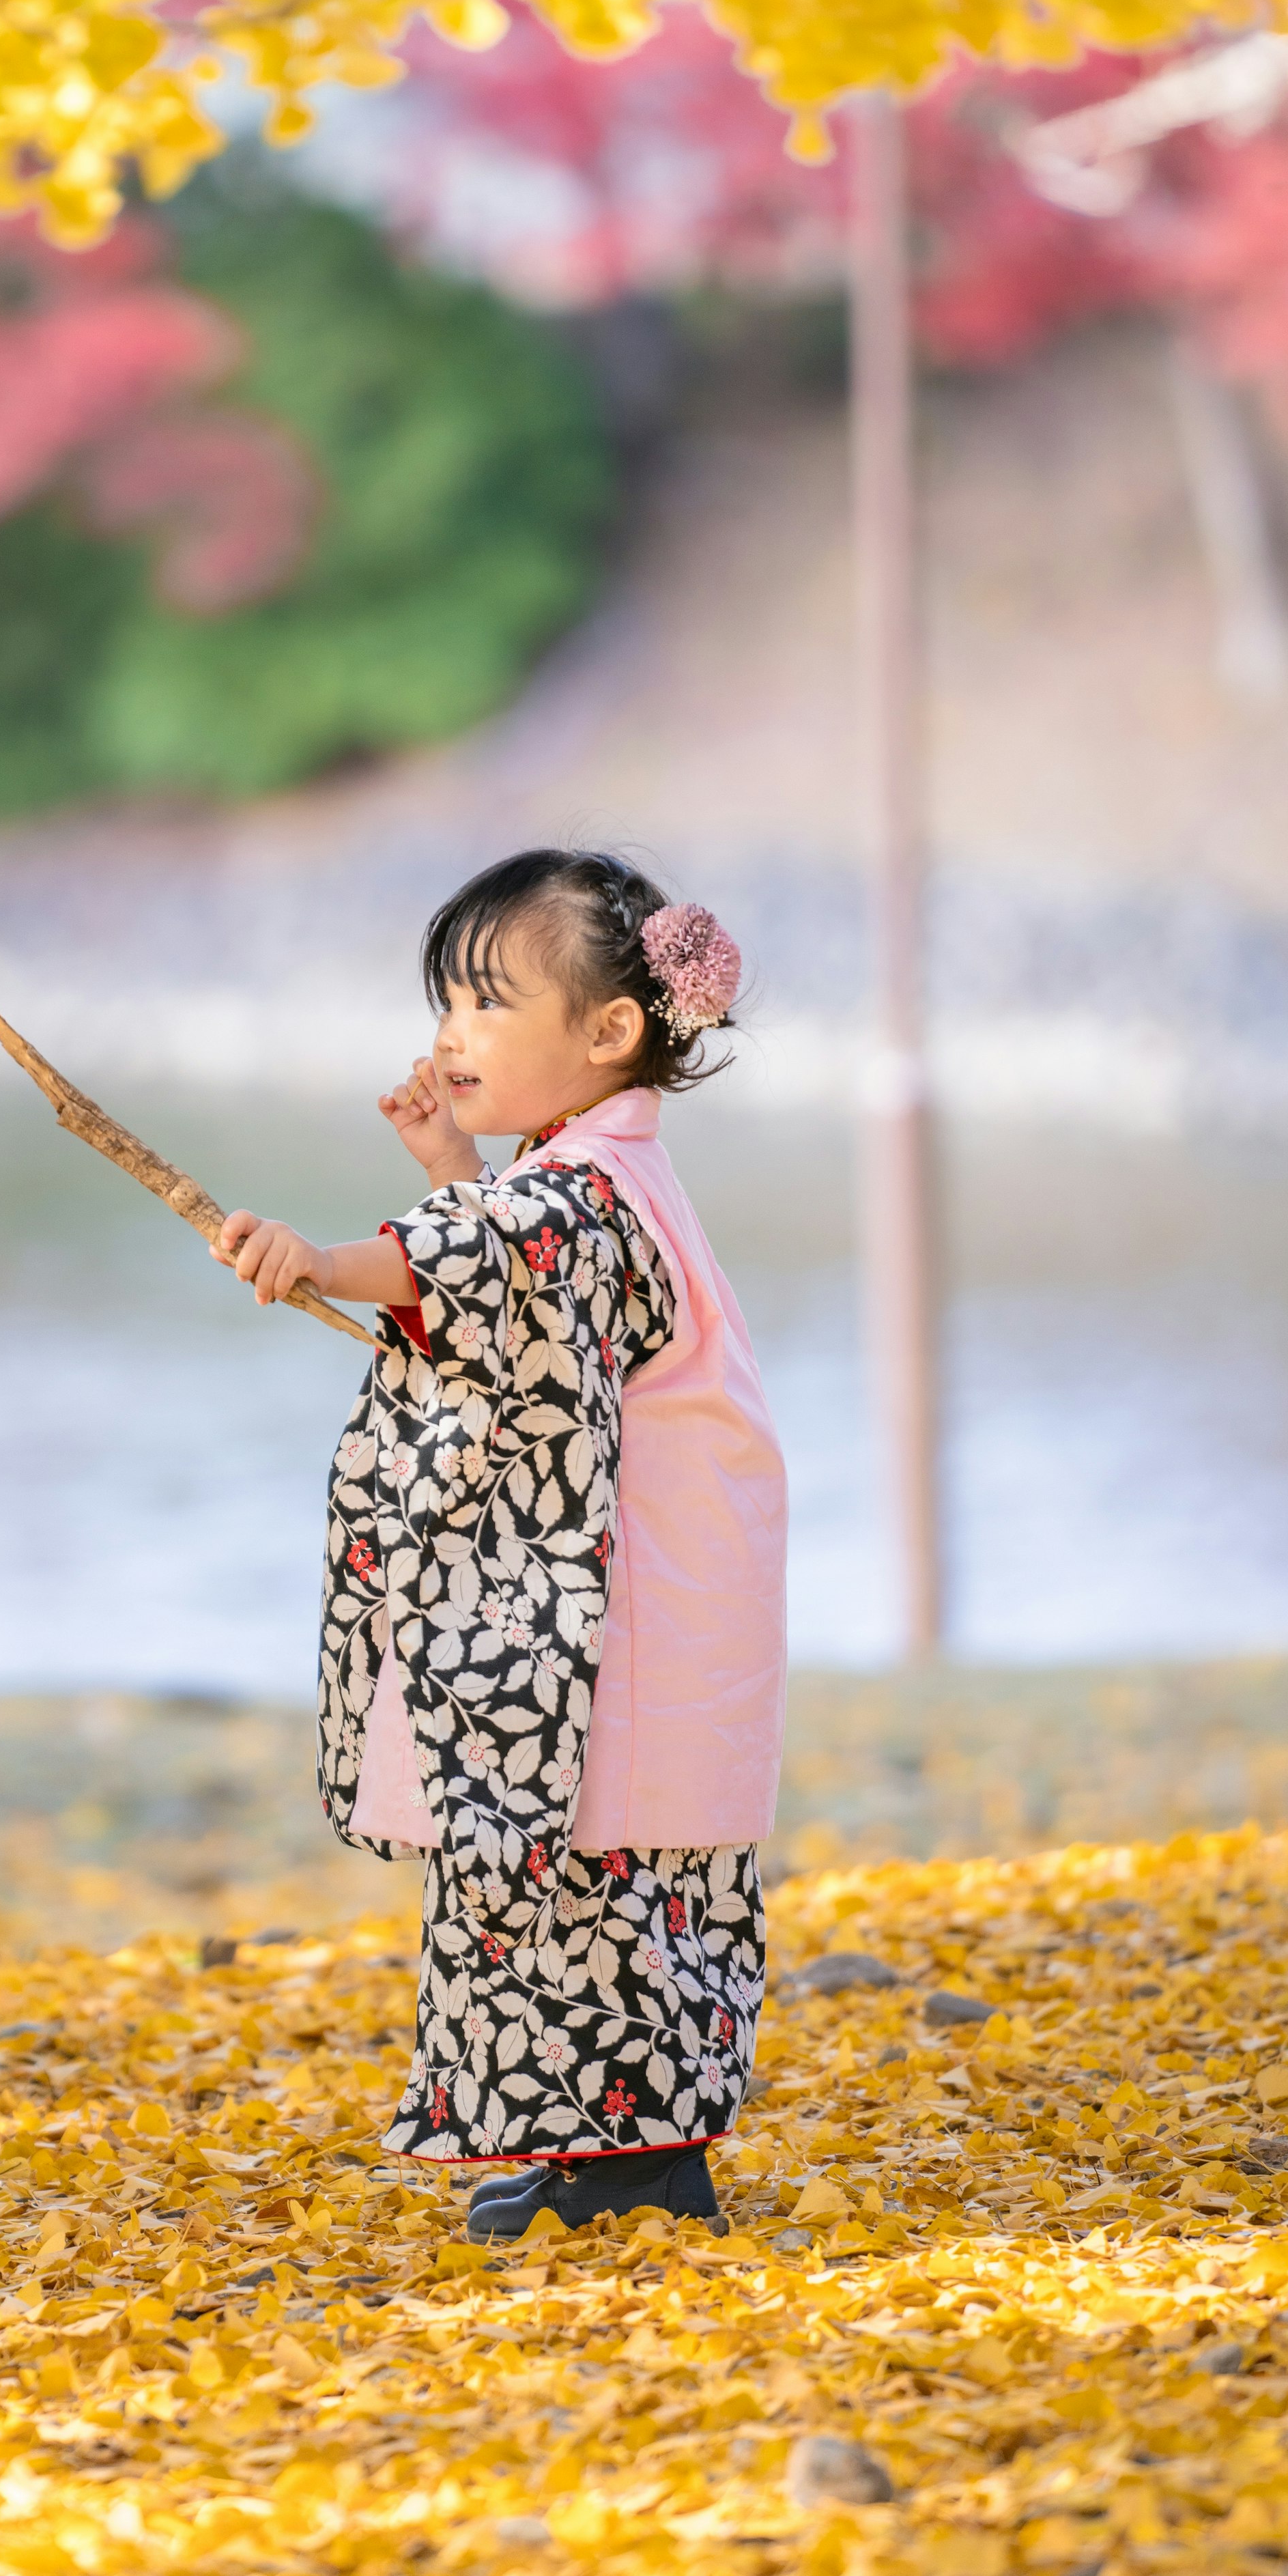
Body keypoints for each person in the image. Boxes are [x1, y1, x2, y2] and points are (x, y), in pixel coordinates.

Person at [216, 847, 788, 2242]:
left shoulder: (582, 1198)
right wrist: (452, 1171)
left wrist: (321, 1258)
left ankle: (630, 2155)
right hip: (659, 1603)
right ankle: (584, 2139)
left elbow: (473, 1263)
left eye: (486, 1003)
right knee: (603, 1881)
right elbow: (497, 1253)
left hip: (614, 1626)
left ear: (608, 1033)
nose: (451, 1032)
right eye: (447, 1001)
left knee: (569, 1871)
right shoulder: (593, 1177)